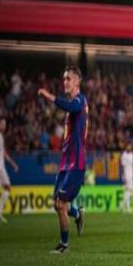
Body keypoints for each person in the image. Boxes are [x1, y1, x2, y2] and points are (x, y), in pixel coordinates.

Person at [38, 65, 87, 254]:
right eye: (64, 78)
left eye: (68, 78)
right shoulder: (73, 105)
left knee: (60, 203)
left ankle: (64, 245)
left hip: (76, 163)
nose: (65, 82)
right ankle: (77, 214)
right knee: (58, 204)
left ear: (77, 81)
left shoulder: (80, 101)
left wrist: (49, 96)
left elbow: (70, 106)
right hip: (66, 163)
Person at [0, 117, 19, 223]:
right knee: (7, 187)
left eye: (5, 124)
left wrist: (12, 163)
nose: (4, 126)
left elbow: (3, 152)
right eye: (2, 124)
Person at [120, 141, 133, 213]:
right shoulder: (124, 155)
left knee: (131, 192)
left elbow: (132, 165)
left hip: (131, 174)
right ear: (126, 147)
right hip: (126, 174)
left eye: (130, 146)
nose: (129, 147)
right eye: (128, 146)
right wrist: (123, 176)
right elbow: (122, 166)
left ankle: (121, 205)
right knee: (128, 190)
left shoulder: (132, 154)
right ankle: (128, 208)